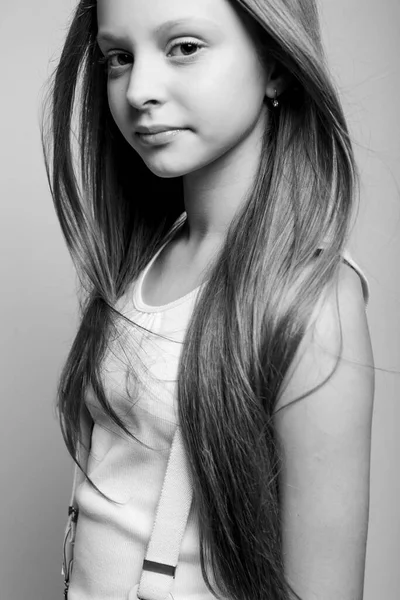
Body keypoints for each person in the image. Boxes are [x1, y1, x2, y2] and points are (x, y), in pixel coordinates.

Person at [41, 0, 375, 599]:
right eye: (119, 57)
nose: (139, 88)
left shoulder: (310, 300)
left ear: (275, 64)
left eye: (184, 47)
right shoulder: (143, 260)